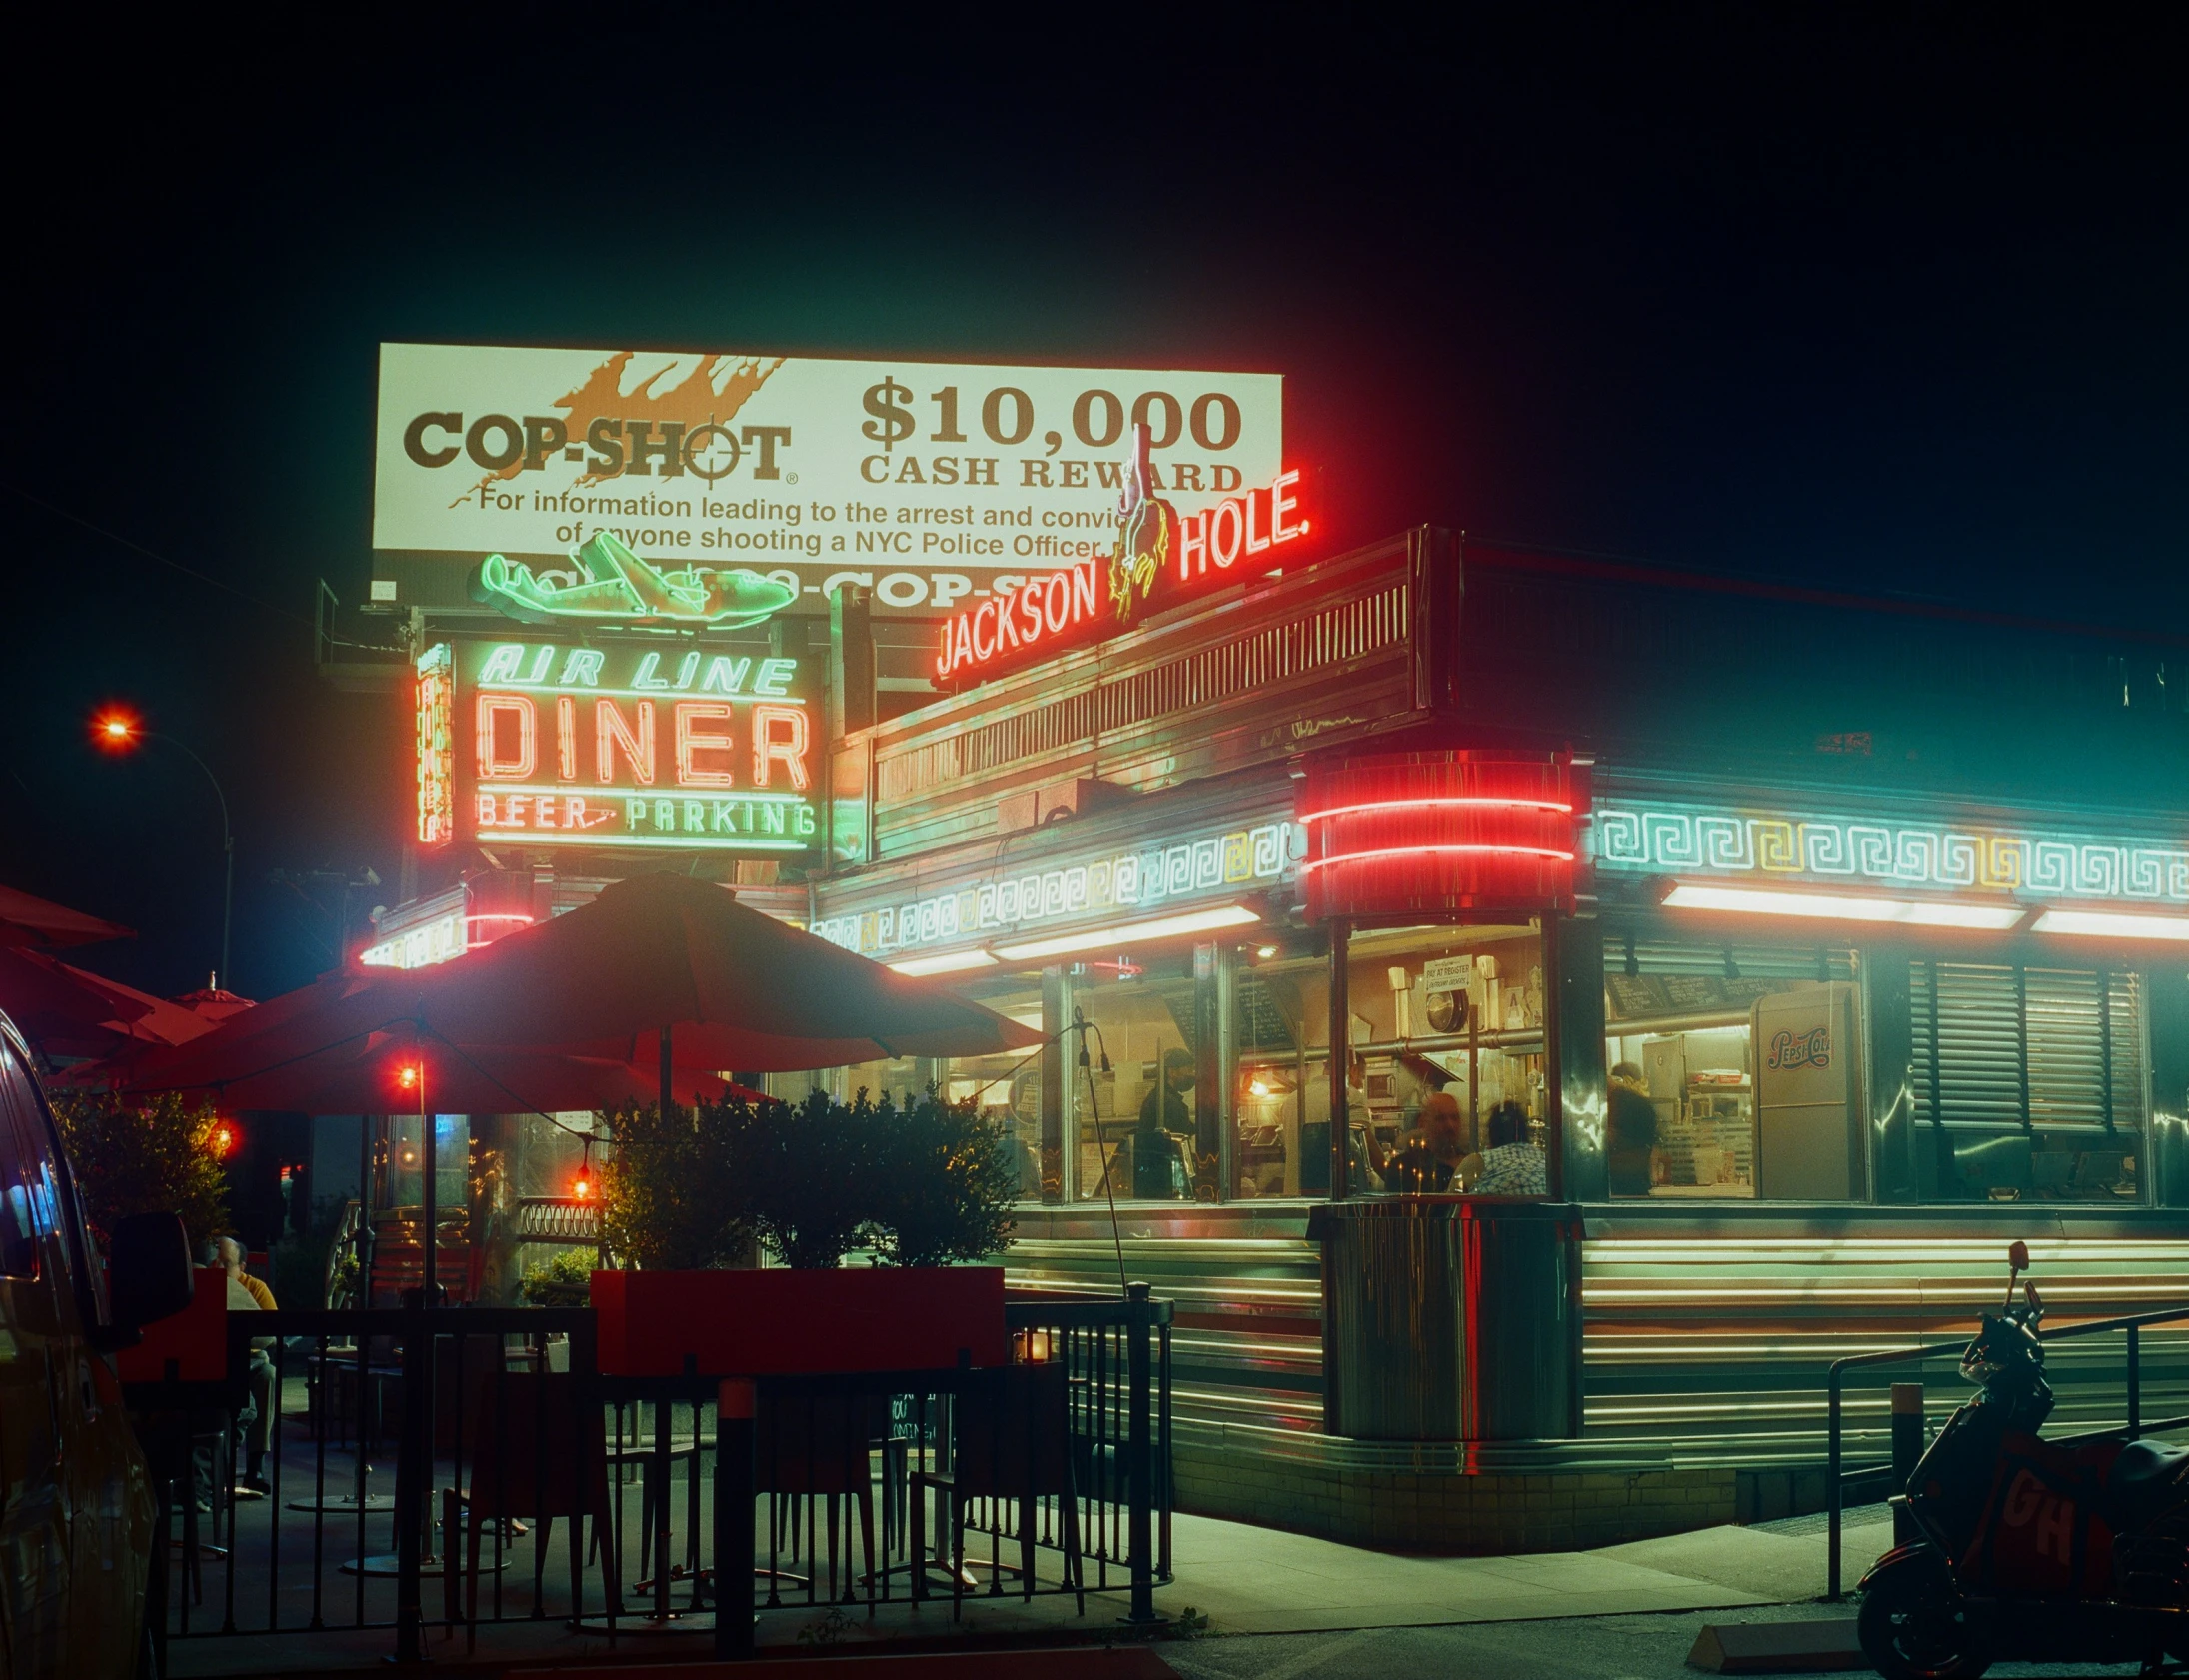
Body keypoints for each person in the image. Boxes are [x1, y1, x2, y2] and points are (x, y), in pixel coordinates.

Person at [220, 1236, 277, 1495]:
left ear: (242, 1267)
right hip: (218, 1358)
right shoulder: (202, 1287)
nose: (219, 1270)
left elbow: (271, 1332)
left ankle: (256, 1465)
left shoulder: (255, 1288)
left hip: (249, 1359)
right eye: (215, 1263)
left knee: (267, 1374)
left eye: (226, 1264)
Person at [1362, 1089, 1468, 1193]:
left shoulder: (1470, 1164)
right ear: (1423, 1123)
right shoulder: (1405, 1168)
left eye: (1455, 1118)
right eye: (1441, 1119)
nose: (1450, 1125)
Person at [1132, 1048, 1196, 1199]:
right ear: (1172, 1072)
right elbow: (1180, 1137)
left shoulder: (1159, 1099)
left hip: (1158, 1179)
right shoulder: (1167, 1102)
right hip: (1167, 1180)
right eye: (1189, 1069)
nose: (1192, 1074)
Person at [1465, 1101, 1548, 1195]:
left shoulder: (1478, 1161)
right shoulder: (1545, 1160)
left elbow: (1452, 1202)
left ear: (1492, 1133)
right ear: (1524, 1131)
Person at [1606, 1061, 1659, 1197]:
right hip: (1632, 1188)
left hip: (1628, 1189)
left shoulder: (1629, 1106)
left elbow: (1642, 1152)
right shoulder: (1636, 1103)